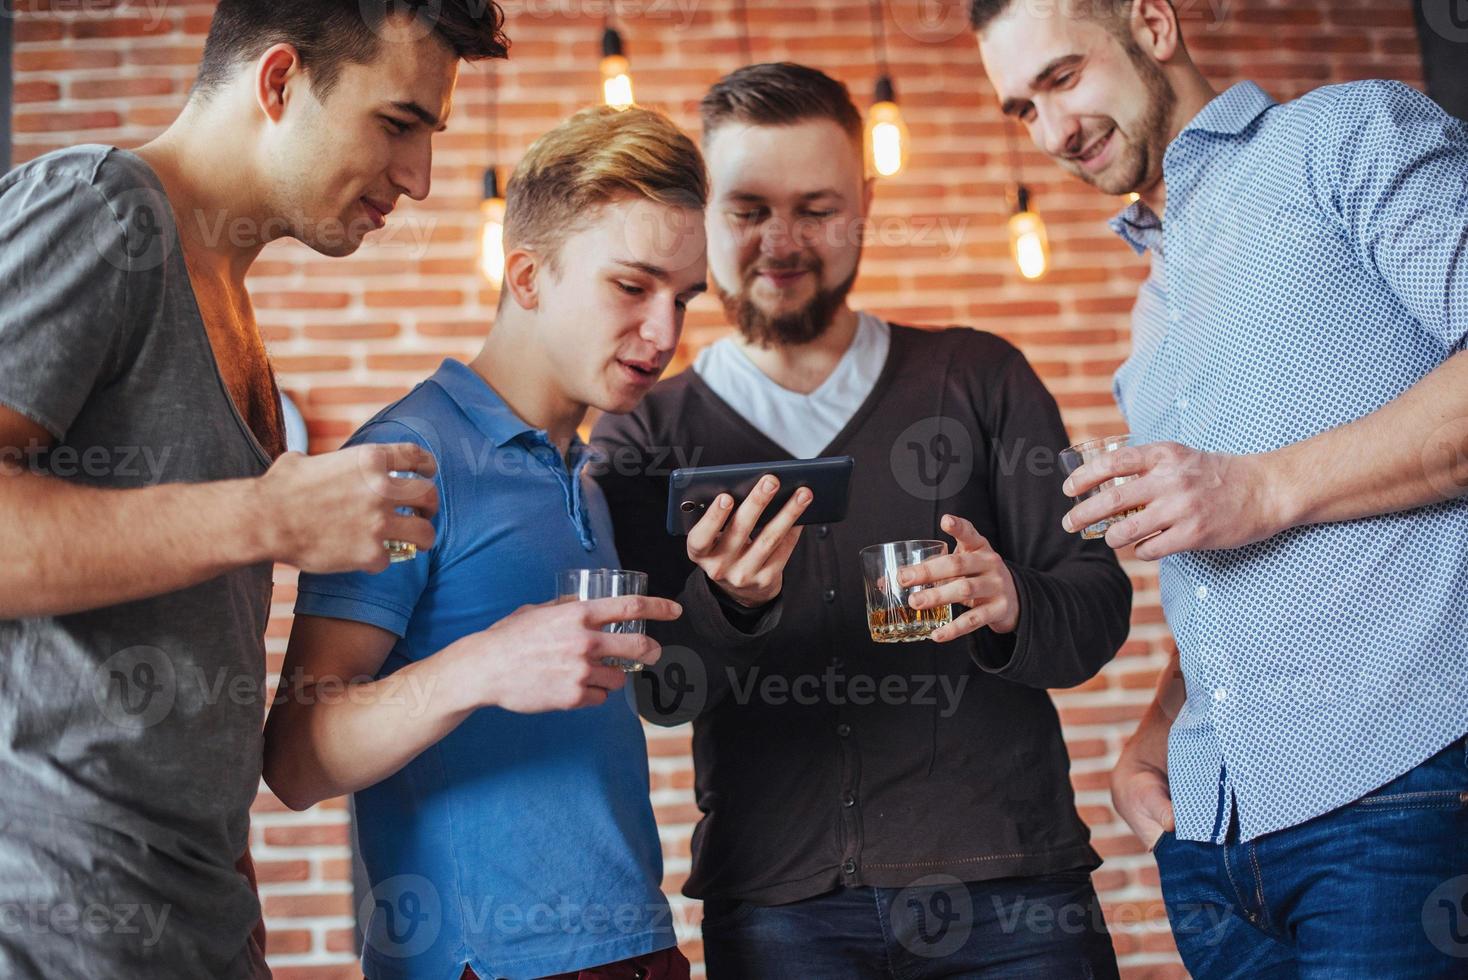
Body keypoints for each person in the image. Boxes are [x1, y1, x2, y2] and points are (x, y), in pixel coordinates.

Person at [0, 2, 510, 976]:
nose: (419, 178)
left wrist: (230, 890)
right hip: (53, 913)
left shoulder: (233, 310)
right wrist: (268, 514)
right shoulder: (100, 209)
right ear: (279, 81)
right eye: (398, 125)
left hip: (192, 917)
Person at [592, 62, 1133, 979]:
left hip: (1010, 894)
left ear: (865, 205)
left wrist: (1011, 603)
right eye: (749, 208)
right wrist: (729, 603)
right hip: (778, 913)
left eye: (817, 207)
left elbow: (1095, 609)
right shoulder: (646, 432)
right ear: (699, 216)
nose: (784, 240)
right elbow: (660, 692)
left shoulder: (981, 377)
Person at [972, 0, 1468, 974]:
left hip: (1398, 792)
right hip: (1212, 836)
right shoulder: (1149, 321)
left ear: (1151, 24)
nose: (1052, 131)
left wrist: (1258, 487)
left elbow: (1251, 499)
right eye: (1021, 109)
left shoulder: (1346, 133)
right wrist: (1155, 729)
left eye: (1063, 77)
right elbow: (1219, 568)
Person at [264, 104, 809, 980]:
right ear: (526, 277)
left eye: (683, 299)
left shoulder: (582, 471)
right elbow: (296, 756)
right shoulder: (409, 458)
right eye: (631, 288)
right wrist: (484, 664)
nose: (666, 334)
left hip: (638, 947)